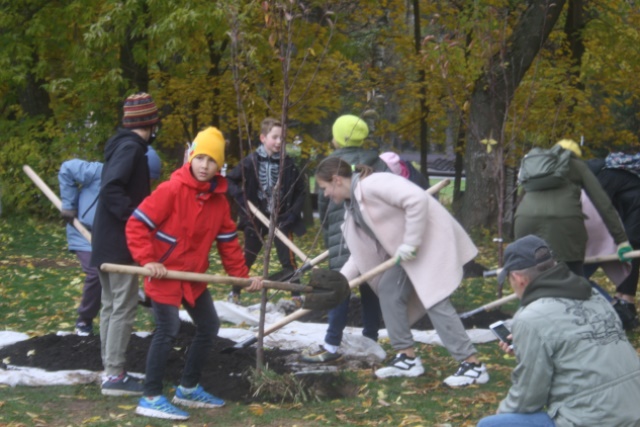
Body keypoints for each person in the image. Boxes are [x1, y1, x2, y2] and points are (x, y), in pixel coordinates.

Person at [126, 126, 263, 421]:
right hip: (164, 274)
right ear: (190, 158)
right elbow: (137, 224)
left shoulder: (218, 201)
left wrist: (242, 277)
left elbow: (228, 243)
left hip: (193, 278)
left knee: (209, 325)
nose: (204, 165)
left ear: (219, 166)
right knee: (167, 330)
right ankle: (150, 396)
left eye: (211, 160)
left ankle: (187, 387)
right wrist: (148, 260)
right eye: (200, 158)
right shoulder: (171, 190)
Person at [312, 157, 489, 385]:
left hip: (428, 243)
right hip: (406, 254)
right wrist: (341, 282)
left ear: (336, 180)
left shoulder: (373, 184)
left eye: (325, 188)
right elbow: (359, 255)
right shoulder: (352, 208)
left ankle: (472, 365)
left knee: (435, 300)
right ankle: (406, 358)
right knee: (389, 290)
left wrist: (411, 242)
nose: (325, 194)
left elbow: (416, 199)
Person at [477, 235, 640, 427]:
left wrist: (502, 412)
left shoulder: (531, 318)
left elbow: (528, 398)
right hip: (634, 410)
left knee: (491, 425)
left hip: (596, 419)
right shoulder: (593, 295)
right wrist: (526, 347)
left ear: (518, 278)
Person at [302, 114, 388, 363]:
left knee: (339, 287)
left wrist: (328, 231)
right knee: (370, 287)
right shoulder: (378, 162)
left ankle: (330, 344)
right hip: (373, 238)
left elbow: (324, 203)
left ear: (337, 138)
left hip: (343, 238)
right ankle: (370, 338)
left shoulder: (331, 164)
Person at [90, 92, 160, 396]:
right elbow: (111, 189)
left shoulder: (123, 146)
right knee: (123, 306)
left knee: (110, 305)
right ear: (150, 123)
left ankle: (110, 369)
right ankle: (115, 376)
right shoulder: (131, 149)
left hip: (106, 239)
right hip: (120, 243)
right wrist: (137, 219)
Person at [58, 149, 161, 336]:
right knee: (96, 272)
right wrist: (68, 205)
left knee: (125, 273)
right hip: (83, 232)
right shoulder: (99, 171)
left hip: (110, 237)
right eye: (145, 178)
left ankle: (144, 300)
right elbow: (67, 168)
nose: (147, 184)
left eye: (151, 181)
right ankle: (84, 321)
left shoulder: (138, 191)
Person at [514, 139, 631, 277]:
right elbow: (603, 203)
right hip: (565, 223)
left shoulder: (534, 165)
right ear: (574, 154)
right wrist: (621, 240)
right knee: (571, 280)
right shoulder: (576, 165)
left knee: (530, 276)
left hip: (525, 219)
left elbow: (520, 196)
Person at [226, 117, 306, 305]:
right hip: (255, 219)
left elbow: (301, 191)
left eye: (282, 138)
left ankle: (296, 295)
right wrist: (243, 201)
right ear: (263, 138)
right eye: (275, 137)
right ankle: (235, 292)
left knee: (288, 259)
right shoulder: (250, 161)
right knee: (248, 257)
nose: (279, 142)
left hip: (281, 219)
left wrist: (292, 214)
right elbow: (229, 181)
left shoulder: (288, 164)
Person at [586, 152, 640, 326]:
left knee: (630, 249)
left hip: (636, 211)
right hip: (630, 211)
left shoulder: (606, 176)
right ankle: (624, 303)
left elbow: (594, 211)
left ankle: (626, 304)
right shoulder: (604, 172)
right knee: (629, 249)